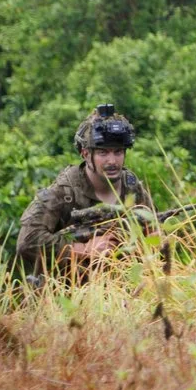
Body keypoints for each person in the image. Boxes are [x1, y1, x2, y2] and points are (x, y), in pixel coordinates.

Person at [15, 105, 155, 280]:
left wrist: (154, 241)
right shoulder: (64, 192)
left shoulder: (132, 188)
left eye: (118, 151)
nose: (112, 161)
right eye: (103, 152)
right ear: (85, 153)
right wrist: (83, 250)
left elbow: (152, 229)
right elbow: (27, 241)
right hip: (66, 295)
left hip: (121, 294)